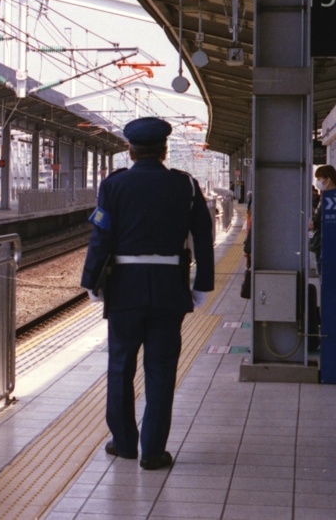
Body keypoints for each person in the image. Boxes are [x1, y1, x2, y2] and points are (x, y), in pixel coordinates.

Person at [79, 116, 214, 471]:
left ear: (130, 150)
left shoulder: (114, 185)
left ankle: (124, 443)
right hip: (170, 287)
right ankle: (153, 450)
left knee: (120, 365)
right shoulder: (185, 185)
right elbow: (203, 235)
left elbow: (101, 237)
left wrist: (91, 281)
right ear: (165, 150)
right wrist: (201, 285)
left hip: (124, 287)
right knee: (161, 369)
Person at [309, 165, 336, 276]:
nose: (317, 182)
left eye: (319, 179)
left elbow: (322, 220)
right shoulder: (328, 195)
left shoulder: (333, 197)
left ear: (328, 179)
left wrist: (313, 223)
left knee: (325, 276)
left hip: (326, 243)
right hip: (327, 241)